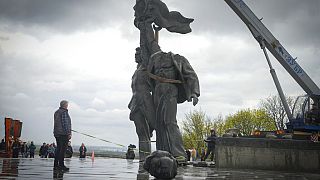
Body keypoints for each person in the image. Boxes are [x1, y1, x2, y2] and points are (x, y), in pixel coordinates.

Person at [136, 19, 200, 163]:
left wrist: (194, 93)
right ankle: (163, 152)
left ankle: (179, 154)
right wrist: (145, 25)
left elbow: (191, 75)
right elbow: (149, 40)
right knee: (160, 124)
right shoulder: (155, 57)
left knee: (170, 121)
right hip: (158, 91)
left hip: (170, 90)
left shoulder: (178, 59)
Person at [128, 47, 156, 161]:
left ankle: (150, 157)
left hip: (145, 101)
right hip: (136, 101)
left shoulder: (147, 68)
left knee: (152, 128)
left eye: (138, 54)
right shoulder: (137, 70)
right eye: (135, 53)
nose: (135, 55)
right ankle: (144, 158)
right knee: (141, 131)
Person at [54, 100, 72, 171]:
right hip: (63, 134)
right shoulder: (64, 112)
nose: (68, 106)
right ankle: (61, 165)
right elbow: (65, 124)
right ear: (65, 105)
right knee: (62, 150)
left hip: (57, 133)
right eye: (67, 104)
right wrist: (69, 133)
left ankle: (56, 165)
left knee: (58, 149)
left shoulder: (56, 112)